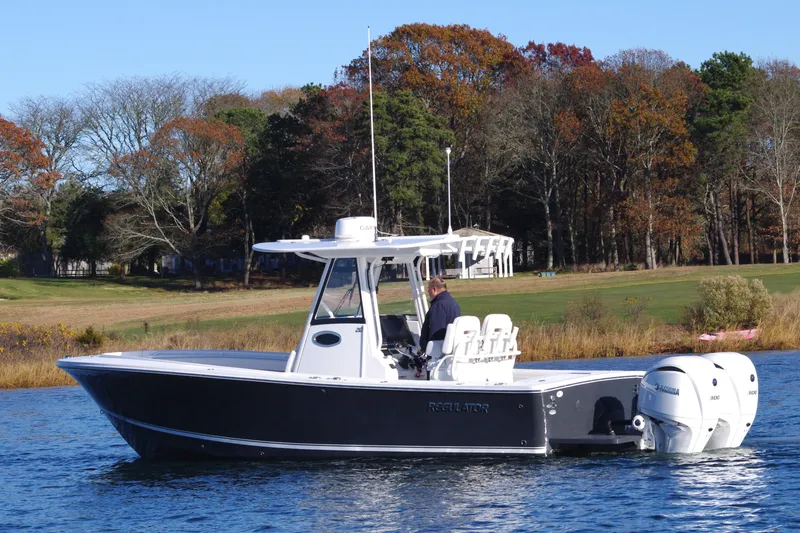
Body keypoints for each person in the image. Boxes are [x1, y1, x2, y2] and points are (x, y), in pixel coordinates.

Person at [419, 276, 461, 353]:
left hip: (439, 352)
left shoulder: (438, 306)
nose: (428, 292)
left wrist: (427, 352)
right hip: (451, 349)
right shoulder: (454, 303)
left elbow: (436, 333)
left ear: (434, 289)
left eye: (429, 289)